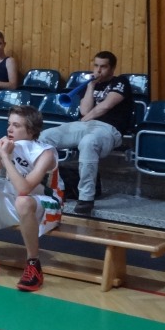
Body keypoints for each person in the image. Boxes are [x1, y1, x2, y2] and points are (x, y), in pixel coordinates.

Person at [0, 106, 63, 291]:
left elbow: (24, 189)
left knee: (22, 200)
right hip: (17, 201)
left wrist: (6, 158)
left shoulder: (45, 153)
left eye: (16, 125)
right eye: (9, 124)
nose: (9, 129)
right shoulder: (8, 146)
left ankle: (33, 264)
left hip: (47, 205)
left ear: (30, 130)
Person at [39, 51, 132, 215]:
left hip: (109, 129)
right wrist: (90, 86)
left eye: (103, 67)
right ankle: (55, 186)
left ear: (112, 68)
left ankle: (86, 198)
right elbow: (84, 110)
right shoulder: (91, 84)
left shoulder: (120, 82)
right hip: (86, 124)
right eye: (96, 66)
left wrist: (84, 121)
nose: (98, 70)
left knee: (88, 142)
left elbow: (105, 106)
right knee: (45, 137)